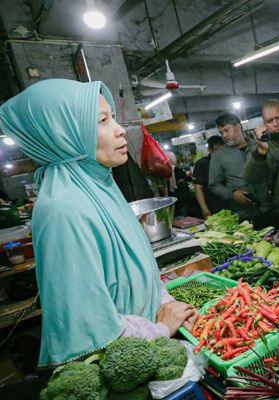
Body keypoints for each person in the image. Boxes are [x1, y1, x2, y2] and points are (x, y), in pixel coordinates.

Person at [0, 79, 196, 366]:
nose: (119, 130)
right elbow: (89, 330)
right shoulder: (62, 209)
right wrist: (162, 329)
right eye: (102, 121)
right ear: (63, 134)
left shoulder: (98, 183)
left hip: (150, 345)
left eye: (112, 118)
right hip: (129, 359)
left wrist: (164, 303)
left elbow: (136, 269)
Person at [209, 112, 270, 228]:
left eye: (226, 130)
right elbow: (214, 185)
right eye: (221, 133)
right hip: (243, 214)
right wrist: (232, 194)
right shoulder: (218, 156)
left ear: (238, 127)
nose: (224, 135)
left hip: (269, 209)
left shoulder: (259, 146)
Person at [192, 135, 226, 218]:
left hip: (232, 206)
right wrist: (204, 208)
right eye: (216, 151)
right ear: (209, 150)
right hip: (213, 208)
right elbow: (198, 188)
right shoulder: (202, 164)